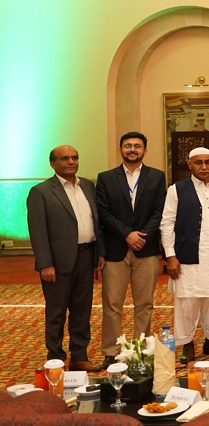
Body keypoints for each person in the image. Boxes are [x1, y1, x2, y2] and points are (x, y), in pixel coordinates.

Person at [28, 145, 105, 371]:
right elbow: (38, 230)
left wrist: (99, 253)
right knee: (56, 313)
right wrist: (45, 263)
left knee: (82, 311)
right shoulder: (41, 192)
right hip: (57, 263)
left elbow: (96, 223)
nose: (71, 162)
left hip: (86, 257)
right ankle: (56, 359)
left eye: (74, 157)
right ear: (53, 164)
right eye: (64, 158)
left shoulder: (88, 186)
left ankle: (79, 357)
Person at [95, 132, 166, 367]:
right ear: (120, 150)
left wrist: (142, 236)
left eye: (137, 146)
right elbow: (103, 212)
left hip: (146, 248)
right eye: (128, 146)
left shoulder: (156, 176)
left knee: (144, 303)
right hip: (116, 248)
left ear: (145, 150)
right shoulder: (106, 178)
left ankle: (140, 349)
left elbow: (159, 211)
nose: (132, 149)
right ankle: (110, 351)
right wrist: (127, 234)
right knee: (112, 304)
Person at [160, 147, 209, 361]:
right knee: (187, 301)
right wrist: (170, 255)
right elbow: (167, 223)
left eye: (208, 162)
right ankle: (187, 344)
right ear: (189, 165)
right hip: (187, 254)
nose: (204, 166)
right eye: (198, 162)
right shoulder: (177, 189)